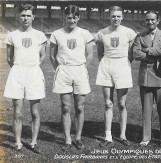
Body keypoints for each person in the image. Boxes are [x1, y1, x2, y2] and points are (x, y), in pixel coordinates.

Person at [49, 5, 94, 151]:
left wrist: (82, 67)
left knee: (79, 107)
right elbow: (51, 56)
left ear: (78, 18)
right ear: (64, 17)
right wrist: (60, 69)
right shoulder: (56, 34)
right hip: (64, 71)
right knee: (65, 107)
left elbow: (90, 55)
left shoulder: (85, 33)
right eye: (69, 17)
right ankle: (67, 139)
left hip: (79, 70)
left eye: (74, 17)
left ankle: (78, 138)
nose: (71, 20)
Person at [4, 4, 47, 153]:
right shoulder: (12, 35)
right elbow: (9, 58)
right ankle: (18, 143)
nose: (25, 18)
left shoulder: (39, 35)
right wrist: (19, 67)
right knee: (17, 112)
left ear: (33, 17)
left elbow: (43, 55)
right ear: (18, 17)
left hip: (34, 73)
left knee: (35, 112)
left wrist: (34, 67)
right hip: (17, 73)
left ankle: (34, 142)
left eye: (28, 15)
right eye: (23, 15)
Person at [95, 6, 136, 147]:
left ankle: (123, 135)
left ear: (122, 17)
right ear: (109, 17)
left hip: (123, 66)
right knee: (108, 103)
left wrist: (123, 64)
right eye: (113, 16)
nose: (116, 18)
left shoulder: (129, 32)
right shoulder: (102, 33)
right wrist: (108, 64)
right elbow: (100, 53)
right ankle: (108, 136)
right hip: (106, 66)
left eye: (118, 16)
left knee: (122, 104)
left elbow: (131, 54)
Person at [133, 11, 161, 148]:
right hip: (145, 77)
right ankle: (146, 137)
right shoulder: (139, 36)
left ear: (158, 20)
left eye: (152, 20)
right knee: (146, 109)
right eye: (147, 20)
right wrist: (155, 53)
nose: (150, 22)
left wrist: (148, 50)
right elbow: (136, 53)